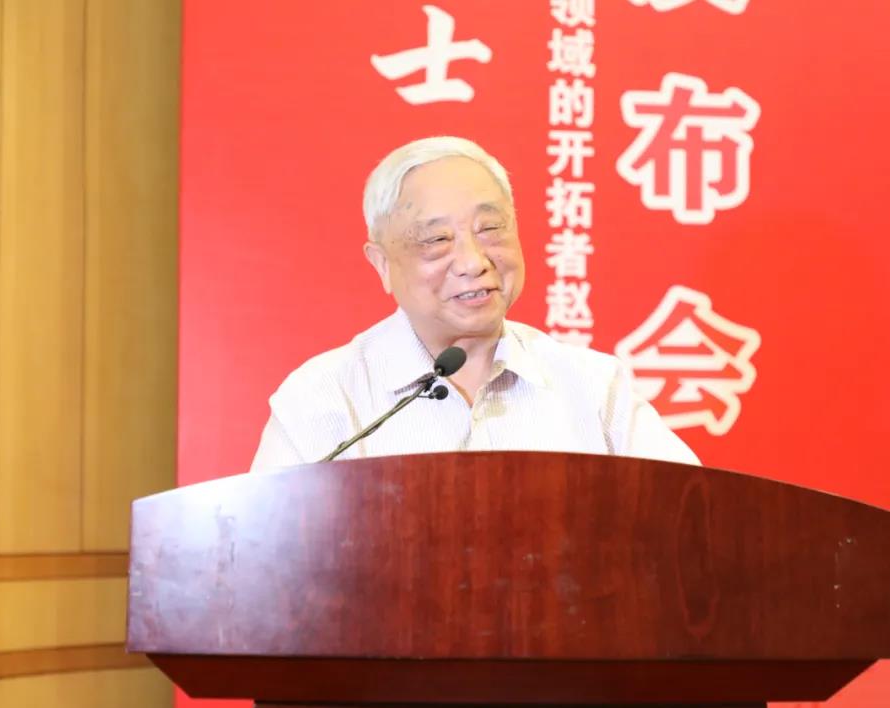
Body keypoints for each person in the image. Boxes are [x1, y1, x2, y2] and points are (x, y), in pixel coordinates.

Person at [251, 136, 698, 469]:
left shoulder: (595, 388)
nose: (473, 261)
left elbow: (694, 524)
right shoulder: (324, 398)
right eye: (437, 240)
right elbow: (264, 556)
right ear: (382, 264)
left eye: (490, 229)